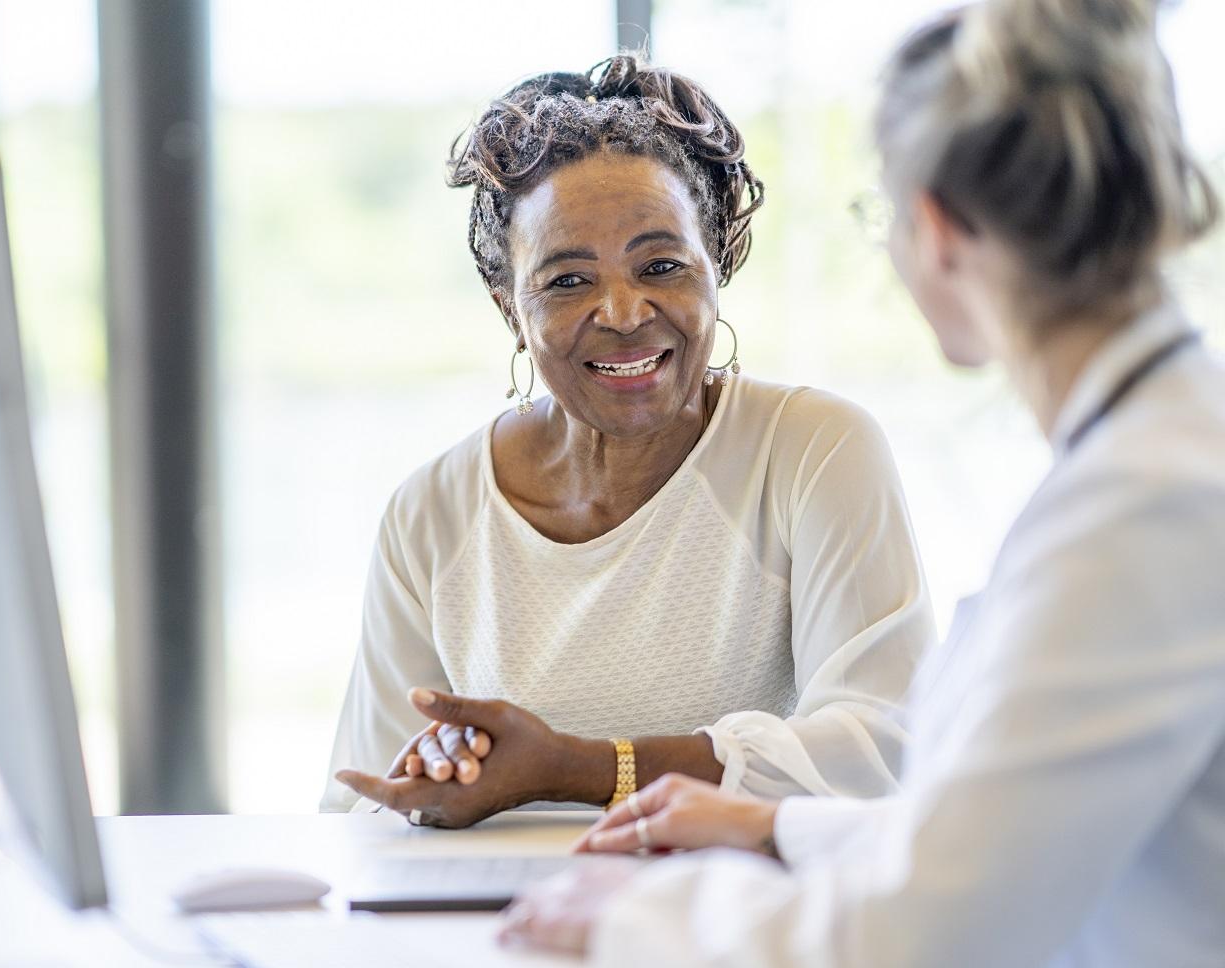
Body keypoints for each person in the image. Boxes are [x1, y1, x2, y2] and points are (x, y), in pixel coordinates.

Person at [498, 2, 1225, 968]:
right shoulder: (1156, 454)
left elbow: (901, 961)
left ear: (933, 229)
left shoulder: (1147, 506)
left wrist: (634, 918)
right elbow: (1005, 839)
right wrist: (777, 826)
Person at [324, 57, 935, 825]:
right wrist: (428, 782)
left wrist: (576, 769)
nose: (622, 312)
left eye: (662, 265)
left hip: (741, 929)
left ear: (719, 265)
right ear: (509, 305)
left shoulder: (814, 452)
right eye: (567, 281)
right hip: (505, 931)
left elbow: (881, 751)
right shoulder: (431, 514)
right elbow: (361, 807)